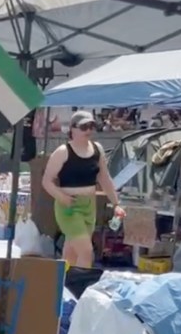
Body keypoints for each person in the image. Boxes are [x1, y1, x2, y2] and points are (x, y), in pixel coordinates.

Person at [43, 111, 124, 268]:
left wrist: (116, 204)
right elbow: (46, 181)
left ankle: (62, 284)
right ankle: (81, 287)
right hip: (69, 207)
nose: (88, 130)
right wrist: (61, 197)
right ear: (72, 129)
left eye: (92, 126)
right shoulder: (62, 152)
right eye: (84, 127)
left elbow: (104, 178)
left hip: (89, 205)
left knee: (71, 251)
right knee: (86, 251)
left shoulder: (97, 149)